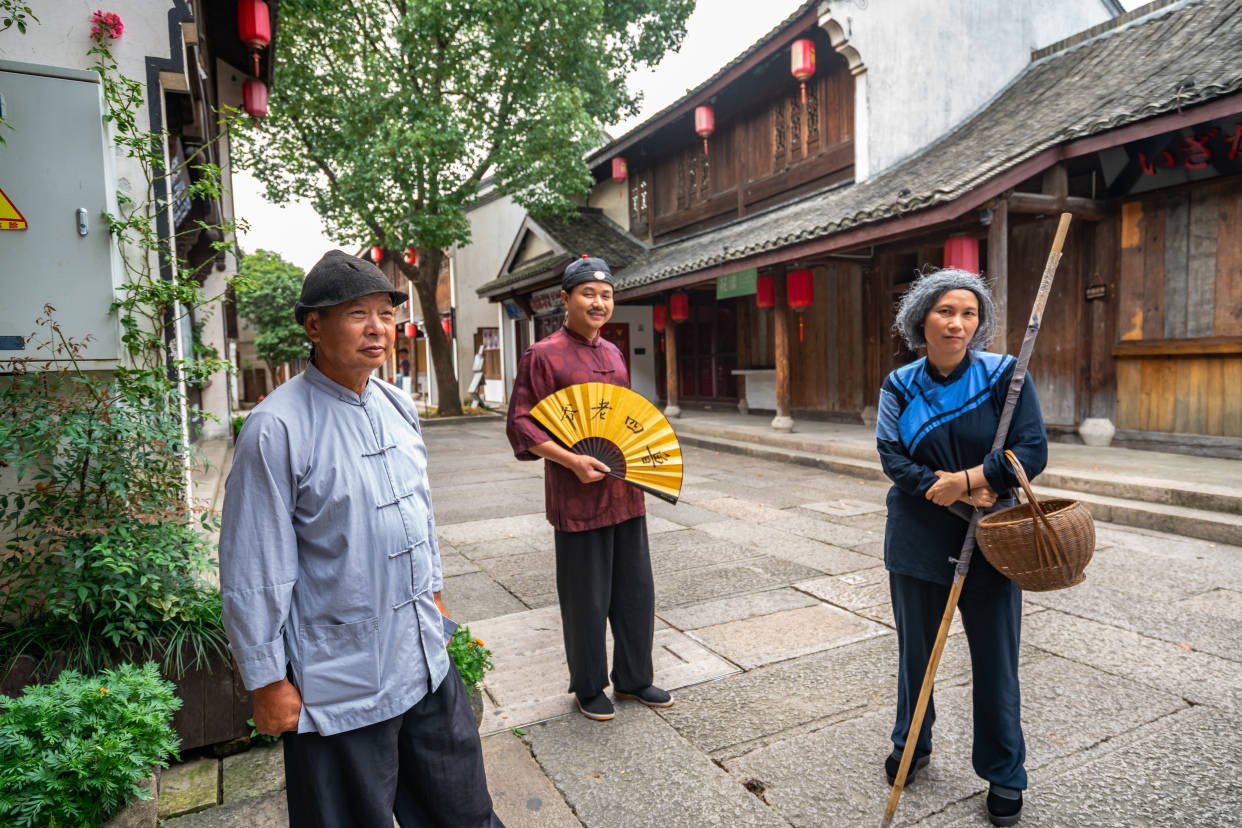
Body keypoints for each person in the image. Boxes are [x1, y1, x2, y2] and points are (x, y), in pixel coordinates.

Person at [219, 250, 502, 828]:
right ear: (314, 325)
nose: (377, 328)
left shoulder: (397, 403)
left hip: (422, 654)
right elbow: (255, 564)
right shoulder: (276, 427)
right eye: (356, 314)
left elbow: (418, 516)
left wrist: (436, 595)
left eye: (385, 313)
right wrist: (267, 678)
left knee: (461, 810)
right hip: (339, 674)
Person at [875, 268, 1047, 827]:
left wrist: (971, 479)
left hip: (993, 534)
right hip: (919, 532)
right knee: (916, 654)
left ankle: (1004, 771)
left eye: (969, 313)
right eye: (946, 311)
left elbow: (1031, 448)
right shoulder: (899, 385)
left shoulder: (1006, 376)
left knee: (996, 658)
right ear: (921, 317)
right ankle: (912, 743)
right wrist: (938, 487)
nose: (957, 323)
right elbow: (891, 455)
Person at [505, 254, 672, 722]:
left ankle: (635, 679)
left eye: (607, 295)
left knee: (636, 593)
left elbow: (622, 416)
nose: (599, 303)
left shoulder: (615, 353)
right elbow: (521, 424)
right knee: (586, 599)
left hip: (625, 490)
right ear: (566, 299)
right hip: (577, 496)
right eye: (588, 294)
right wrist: (570, 460)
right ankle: (588, 687)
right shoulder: (543, 354)